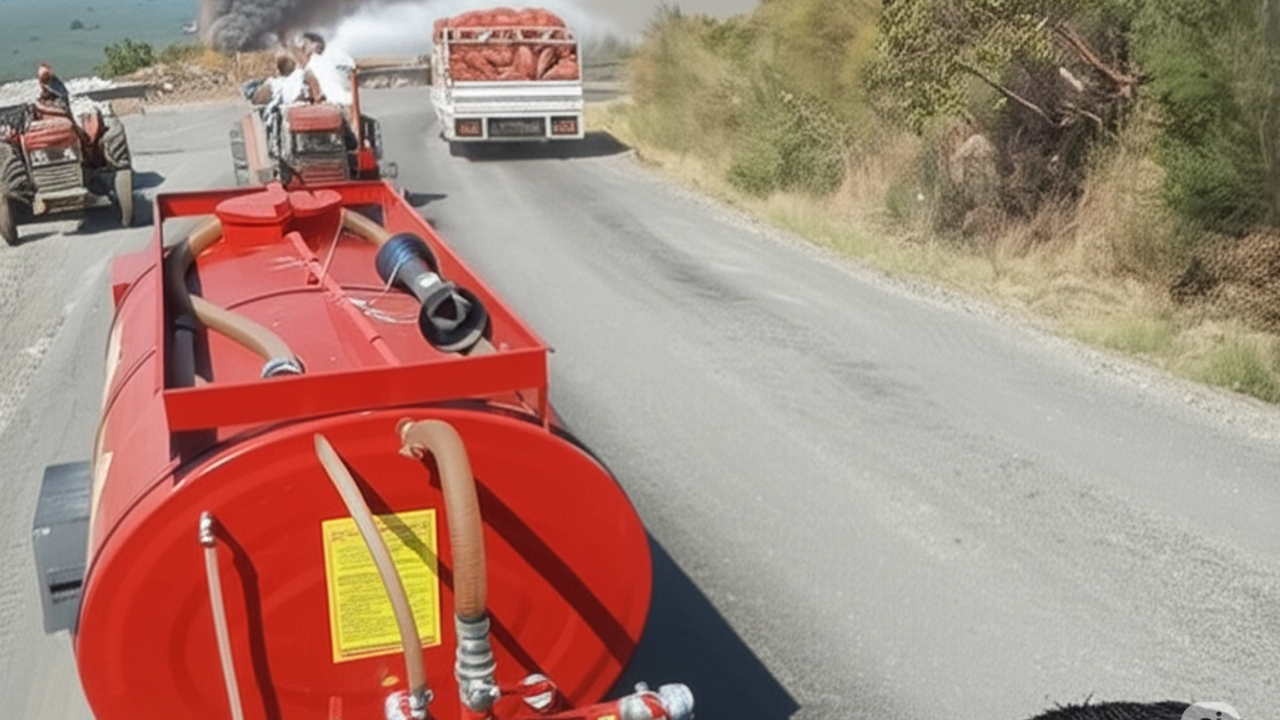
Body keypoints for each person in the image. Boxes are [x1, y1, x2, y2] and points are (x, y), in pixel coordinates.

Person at [299, 32, 355, 106]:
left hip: (341, 101)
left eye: (306, 45)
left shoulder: (333, 54)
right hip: (341, 101)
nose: (305, 49)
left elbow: (351, 68)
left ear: (316, 43)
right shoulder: (314, 63)